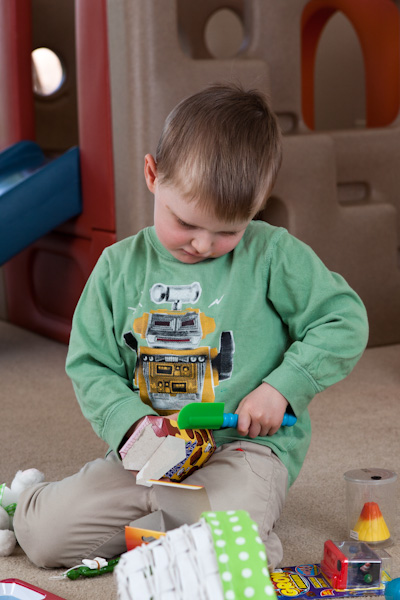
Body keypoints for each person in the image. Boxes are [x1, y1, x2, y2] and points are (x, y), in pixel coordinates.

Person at [14, 83, 369, 570]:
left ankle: (187, 531)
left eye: (227, 231)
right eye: (186, 222)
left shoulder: (271, 253)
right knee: (42, 537)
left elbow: (343, 319)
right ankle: (77, 508)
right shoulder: (118, 267)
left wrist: (281, 389)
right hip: (148, 456)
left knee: (232, 543)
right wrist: (131, 425)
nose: (202, 244)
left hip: (243, 452)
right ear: (153, 174)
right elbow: (90, 363)